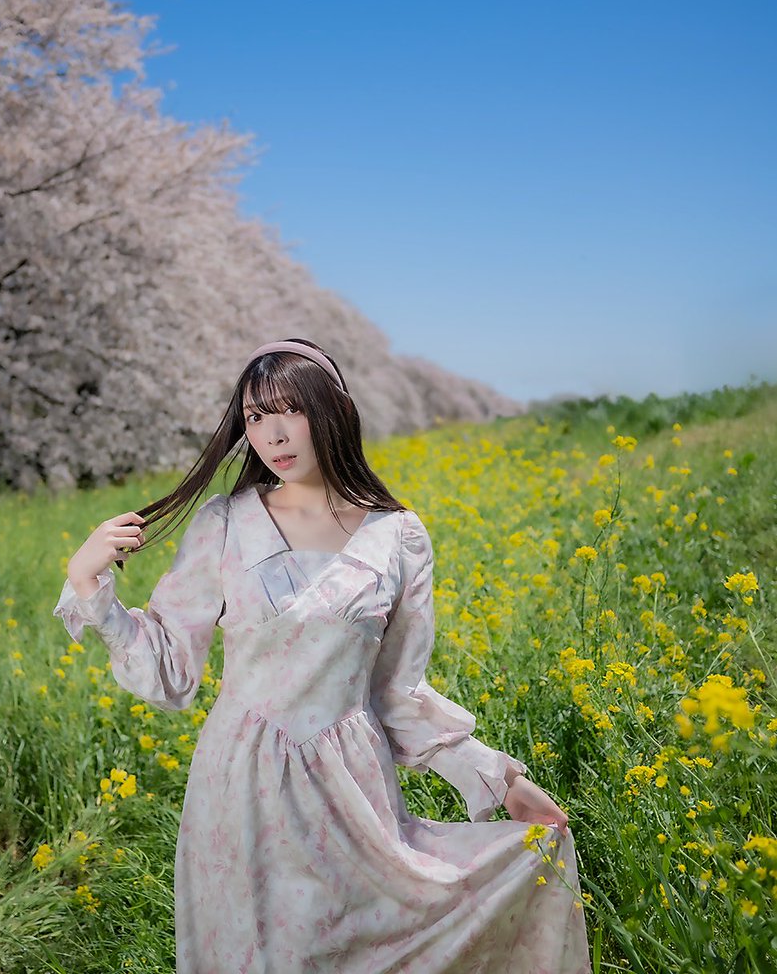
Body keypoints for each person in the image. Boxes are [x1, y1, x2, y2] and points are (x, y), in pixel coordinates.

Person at [54, 338, 592, 973]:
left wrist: (502, 782)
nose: (274, 434)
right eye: (256, 418)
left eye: (291, 409)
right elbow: (170, 669)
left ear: (332, 411)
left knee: (366, 945)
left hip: (352, 787)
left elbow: (397, 692)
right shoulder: (224, 524)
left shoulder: (397, 536)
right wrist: (89, 581)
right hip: (241, 784)